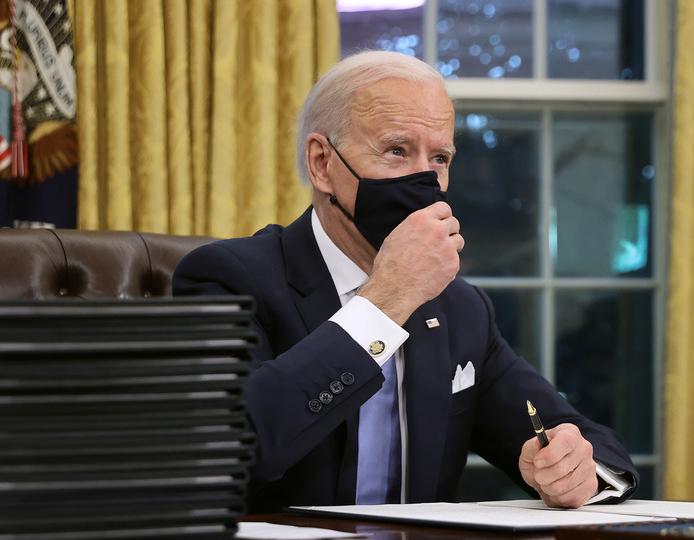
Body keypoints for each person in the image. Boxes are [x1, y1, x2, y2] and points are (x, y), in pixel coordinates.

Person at [173, 50, 638, 513]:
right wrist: (387, 300)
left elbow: (580, 437)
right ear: (322, 163)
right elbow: (231, 442)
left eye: (439, 158)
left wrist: (576, 467)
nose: (424, 178)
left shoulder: (460, 308)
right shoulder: (229, 278)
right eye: (397, 150)